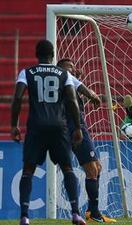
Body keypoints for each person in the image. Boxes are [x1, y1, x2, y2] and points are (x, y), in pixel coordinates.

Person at [10, 40, 86, 225]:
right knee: (67, 168)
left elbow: (18, 97)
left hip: (36, 126)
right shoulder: (63, 73)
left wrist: (14, 125)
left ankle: (25, 217)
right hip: (59, 127)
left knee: (28, 170)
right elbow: (71, 100)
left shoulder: (26, 73)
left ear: (37, 54)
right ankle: (76, 213)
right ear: (53, 55)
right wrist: (77, 127)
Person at [57, 58, 117, 223]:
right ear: (61, 68)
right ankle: (93, 214)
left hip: (73, 127)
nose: (73, 69)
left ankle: (92, 210)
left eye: (74, 66)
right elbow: (91, 94)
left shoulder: (66, 82)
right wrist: (94, 97)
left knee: (97, 167)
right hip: (75, 128)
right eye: (70, 66)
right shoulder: (65, 77)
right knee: (92, 169)